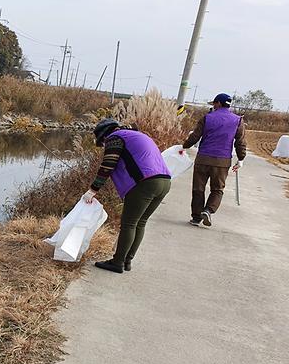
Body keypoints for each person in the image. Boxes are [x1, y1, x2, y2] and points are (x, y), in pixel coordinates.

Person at [83, 118, 172, 274]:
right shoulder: (135, 135)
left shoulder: (115, 138)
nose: (104, 145)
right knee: (140, 222)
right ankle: (127, 261)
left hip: (145, 183)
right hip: (164, 182)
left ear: (104, 135)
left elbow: (108, 165)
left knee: (129, 224)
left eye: (102, 142)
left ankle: (117, 262)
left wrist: (93, 190)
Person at [180, 93, 246, 227]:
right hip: (222, 162)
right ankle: (208, 210)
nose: (214, 106)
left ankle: (196, 217)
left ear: (219, 103)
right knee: (217, 189)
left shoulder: (207, 118)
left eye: (214, 103)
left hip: (203, 159)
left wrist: (183, 147)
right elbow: (240, 142)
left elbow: (195, 137)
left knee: (198, 189)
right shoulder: (237, 120)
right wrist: (241, 158)